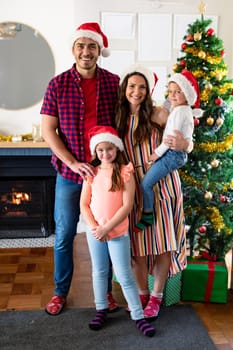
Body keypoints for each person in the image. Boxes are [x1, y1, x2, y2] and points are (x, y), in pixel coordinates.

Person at [40, 22, 120, 315]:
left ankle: (107, 293)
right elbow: (49, 131)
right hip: (70, 175)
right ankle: (60, 292)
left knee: (106, 232)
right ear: (73, 50)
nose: (86, 52)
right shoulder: (57, 84)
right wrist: (72, 162)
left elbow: (128, 121)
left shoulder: (114, 82)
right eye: (81, 46)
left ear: (100, 50)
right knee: (63, 235)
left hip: (105, 176)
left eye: (92, 46)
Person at [115, 64, 193, 320]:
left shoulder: (158, 114)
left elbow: (187, 132)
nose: (136, 92)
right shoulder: (117, 117)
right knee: (136, 246)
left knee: (161, 244)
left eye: (142, 87)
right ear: (125, 89)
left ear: (148, 91)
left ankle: (157, 296)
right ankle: (141, 292)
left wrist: (187, 144)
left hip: (161, 184)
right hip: (131, 188)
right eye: (132, 86)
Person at [80, 125, 155, 337]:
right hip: (95, 232)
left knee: (124, 274)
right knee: (99, 272)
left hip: (116, 232)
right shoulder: (92, 173)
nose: (105, 154)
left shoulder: (125, 172)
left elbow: (127, 206)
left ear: (117, 149)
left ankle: (138, 316)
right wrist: (96, 228)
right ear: (95, 151)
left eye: (109, 149)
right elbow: (84, 204)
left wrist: (107, 228)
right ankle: (101, 309)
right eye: (100, 150)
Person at [135, 69, 200, 232]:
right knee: (147, 183)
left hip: (171, 155)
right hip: (172, 155)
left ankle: (148, 215)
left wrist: (156, 155)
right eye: (170, 92)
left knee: (146, 184)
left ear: (186, 93)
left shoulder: (178, 111)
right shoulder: (178, 110)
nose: (172, 95)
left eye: (178, 91)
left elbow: (171, 139)